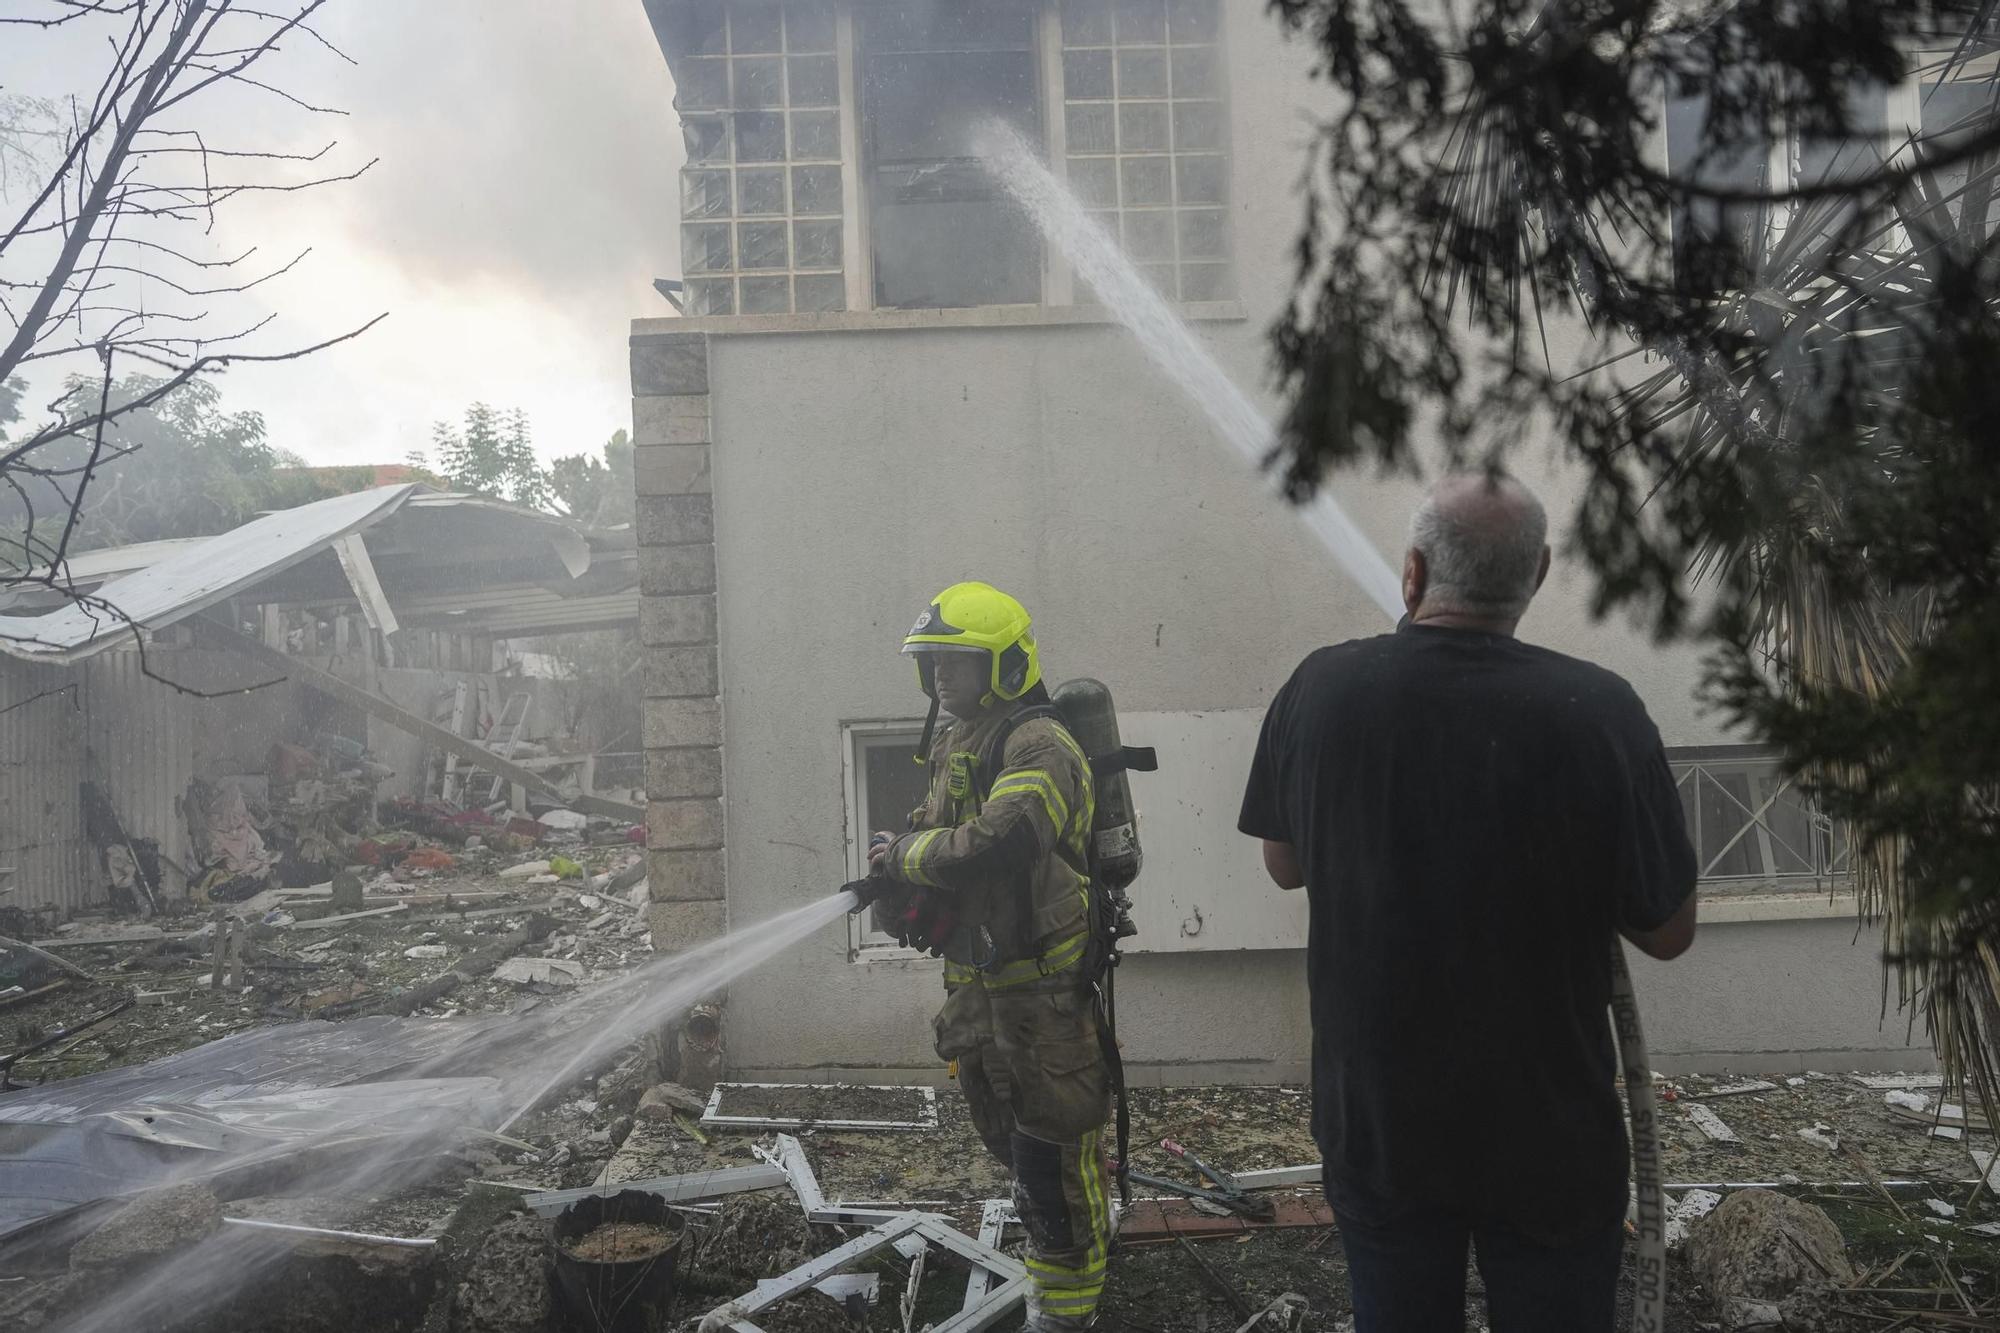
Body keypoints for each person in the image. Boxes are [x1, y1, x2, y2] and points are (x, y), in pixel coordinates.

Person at [1237, 472, 1697, 1332]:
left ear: (1411, 573)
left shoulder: (1322, 689)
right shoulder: (1600, 709)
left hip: (1381, 1124)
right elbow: (1668, 931)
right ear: (1541, 572)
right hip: (1551, 1133)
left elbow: (1282, 864)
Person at [867, 581, 1113, 1333]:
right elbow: (941, 832)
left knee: (1053, 1163)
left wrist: (910, 855)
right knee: (1013, 1148)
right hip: (978, 991)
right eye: (932, 659)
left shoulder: (1039, 741)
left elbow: (1004, 838)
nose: (941, 673)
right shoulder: (957, 737)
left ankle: (1065, 1315)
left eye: (958, 658)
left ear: (1005, 663)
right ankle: (1059, 1251)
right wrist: (896, 870)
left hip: (1042, 1001)